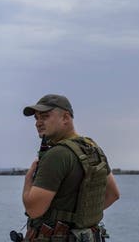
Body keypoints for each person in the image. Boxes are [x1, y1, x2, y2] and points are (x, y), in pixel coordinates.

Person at [21, 94, 120, 242]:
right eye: (36, 118)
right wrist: (78, 220)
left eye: (45, 116)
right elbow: (112, 194)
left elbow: (34, 210)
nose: (38, 123)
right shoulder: (91, 148)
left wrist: (28, 180)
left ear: (66, 118)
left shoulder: (56, 154)